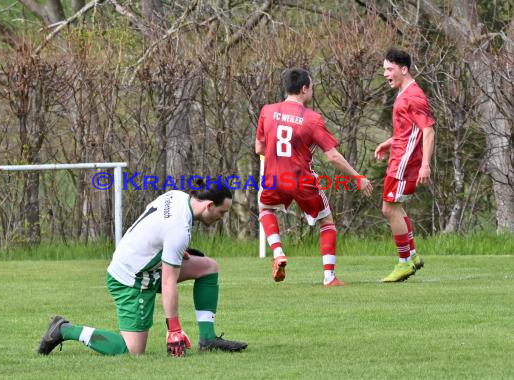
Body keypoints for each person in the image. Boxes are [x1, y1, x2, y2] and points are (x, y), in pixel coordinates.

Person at [37, 181, 247, 357]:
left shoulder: (177, 196)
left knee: (208, 267)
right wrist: (174, 330)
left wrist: (166, 247)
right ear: (209, 205)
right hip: (130, 279)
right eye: (222, 212)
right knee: (132, 350)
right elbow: (168, 282)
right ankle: (65, 329)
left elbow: (151, 211)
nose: (222, 217)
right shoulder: (179, 230)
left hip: (143, 267)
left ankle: (208, 339)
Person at [255, 68, 373, 287]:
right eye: (312, 87)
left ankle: (278, 252)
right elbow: (333, 157)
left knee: (264, 209)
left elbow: (259, 148)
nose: (313, 90)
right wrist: (358, 178)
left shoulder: (267, 111)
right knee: (326, 222)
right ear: (304, 89)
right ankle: (329, 277)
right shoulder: (312, 119)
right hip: (302, 181)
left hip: (273, 179)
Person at [375, 48, 435, 282]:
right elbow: (407, 130)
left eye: (389, 69)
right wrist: (388, 143)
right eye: (384, 69)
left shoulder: (413, 96)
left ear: (404, 69)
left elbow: (427, 130)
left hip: (405, 163)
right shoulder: (403, 92)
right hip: (399, 157)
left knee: (389, 209)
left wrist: (425, 166)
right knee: (396, 208)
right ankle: (413, 256)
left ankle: (404, 263)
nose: (385, 74)